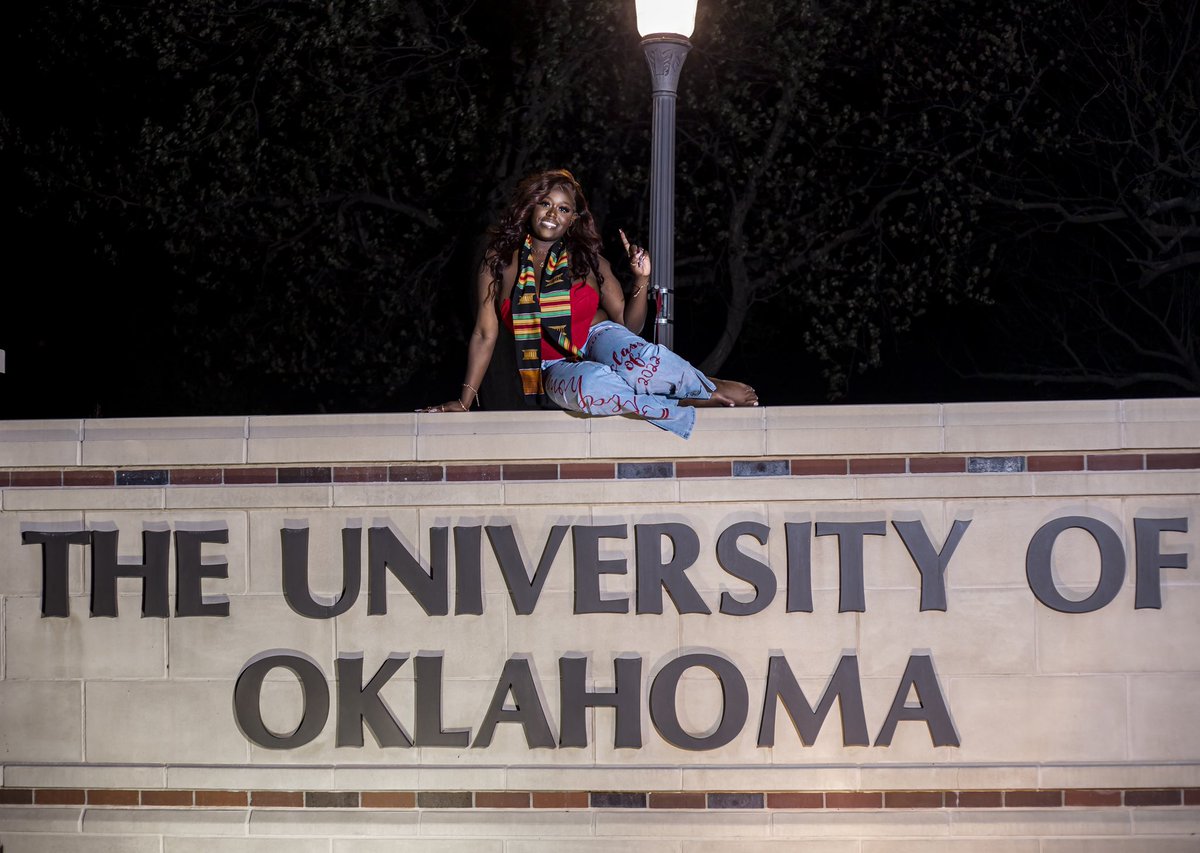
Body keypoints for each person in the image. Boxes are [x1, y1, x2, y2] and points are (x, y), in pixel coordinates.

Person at [420, 169, 757, 438]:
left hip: (599, 336)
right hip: (553, 365)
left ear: (572, 219)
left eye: (563, 209)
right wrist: (464, 401)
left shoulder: (587, 260)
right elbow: (484, 333)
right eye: (546, 204)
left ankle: (705, 387)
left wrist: (641, 280)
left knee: (641, 360)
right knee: (592, 386)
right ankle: (685, 397)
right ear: (531, 206)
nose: (553, 214)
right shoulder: (500, 262)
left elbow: (630, 325)